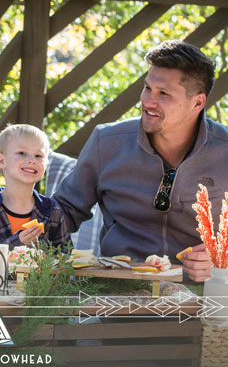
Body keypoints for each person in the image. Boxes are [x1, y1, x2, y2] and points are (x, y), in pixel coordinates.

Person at [53, 40, 228, 282]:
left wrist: (222, 260)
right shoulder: (106, 142)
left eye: (163, 93)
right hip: (117, 298)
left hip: (203, 302)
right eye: (148, 88)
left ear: (197, 102)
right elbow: (62, 213)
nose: (147, 101)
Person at [0, 124, 69, 249]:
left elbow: (65, 255)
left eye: (38, 155)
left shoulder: (53, 211)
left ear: (46, 164)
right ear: (1, 160)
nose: (31, 160)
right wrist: (16, 243)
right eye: (22, 153)